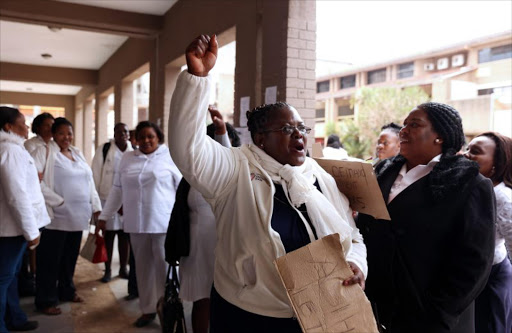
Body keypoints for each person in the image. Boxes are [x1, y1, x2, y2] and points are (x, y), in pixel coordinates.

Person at [168, 34, 367, 333]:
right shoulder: (234, 167)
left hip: (320, 311)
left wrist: (355, 264)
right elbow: (188, 148)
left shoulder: (318, 176)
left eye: (302, 127)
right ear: (260, 138)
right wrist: (198, 79)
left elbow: (353, 236)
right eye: (288, 128)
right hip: (249, 314)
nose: (299, 135)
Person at [357, 102, 495, 333]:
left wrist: (438, 313)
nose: (403, 131)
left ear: (440, 136)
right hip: (376, 309)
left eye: (414, 125)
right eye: (404, 125)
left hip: (430, 317)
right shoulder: (381, 173)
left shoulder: (468, 182)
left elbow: (475, 261)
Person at [98, 121, 182, 327]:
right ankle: (147, 310)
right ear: (135, 139)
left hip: (163, 225)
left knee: (165, 270)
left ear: (158, 138)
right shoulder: (127, 158)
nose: (145, 141)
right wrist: (104, 216)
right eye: (141, 137)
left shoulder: (170, 157)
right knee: (142, 270)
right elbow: (117, 190)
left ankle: (167, 311)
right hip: (136, 225)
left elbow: (182, 192)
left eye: (150, 137)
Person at [167, 106, 240, 333]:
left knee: (227, 302)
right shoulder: (192, 176)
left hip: (227, 248)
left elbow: (226, 164)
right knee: (202, 300)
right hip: (197, 249)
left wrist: (221, 133)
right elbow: (178, 216)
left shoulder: (235, 174)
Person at [32, 117, 101, 316]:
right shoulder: (44, 152)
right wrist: (58, 201)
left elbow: (89, 183)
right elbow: (34, 181)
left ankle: (66, 291)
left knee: (69, 258)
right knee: (49, 261)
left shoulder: (77, 153)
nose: (66, 137)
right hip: (56, 217)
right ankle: (45, 300)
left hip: (78, 217)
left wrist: (96, 207)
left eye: (69, 133)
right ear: (53, 134)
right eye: (61, 133)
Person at [0, 106, 49, 332]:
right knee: (3, 280)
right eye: (22, 122)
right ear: (8, 127)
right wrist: (31, 231)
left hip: (10, 228)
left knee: (9, 279)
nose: (27, 127)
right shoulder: (11, 151)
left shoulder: (11, 149)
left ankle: (14, 318)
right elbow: (16, 195)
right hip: (11, 230)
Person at [464, 132, 512, 333]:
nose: (466, 154)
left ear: (496, 165)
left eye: (475, 152)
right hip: (472, 277)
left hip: (492, 279)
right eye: (467, 148)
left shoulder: (502, 197)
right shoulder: (469, 187)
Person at [91, 123, 133, 283]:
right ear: (114, 133)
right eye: (119, 131)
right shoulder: (105, 149)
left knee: (124, 237)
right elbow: (95, 175)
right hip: (106, 199)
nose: (122, 134)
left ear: (128, 134)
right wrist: (95, 202)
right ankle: (107, 270)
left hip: (127, 202)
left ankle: (123, 268)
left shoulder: (134, 150)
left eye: (125, 131)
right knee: (108, 236)